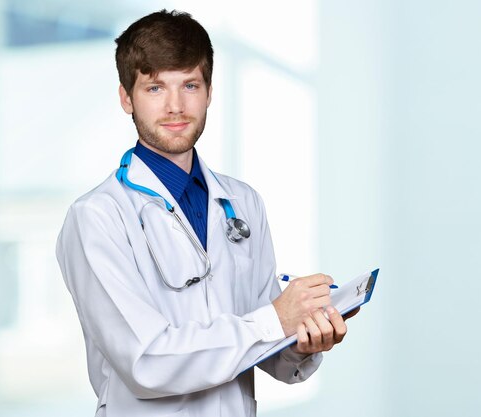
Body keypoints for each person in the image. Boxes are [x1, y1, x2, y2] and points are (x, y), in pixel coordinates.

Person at [56, 9, 357, 417]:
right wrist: (274, 320)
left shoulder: (242, 202)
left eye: (190, 85)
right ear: (127, 97)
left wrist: (301, 341)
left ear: (210, 91)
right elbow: (146, 361)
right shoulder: (97, 217)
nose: (176, 106)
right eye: (156, 87)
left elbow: (265, 345)